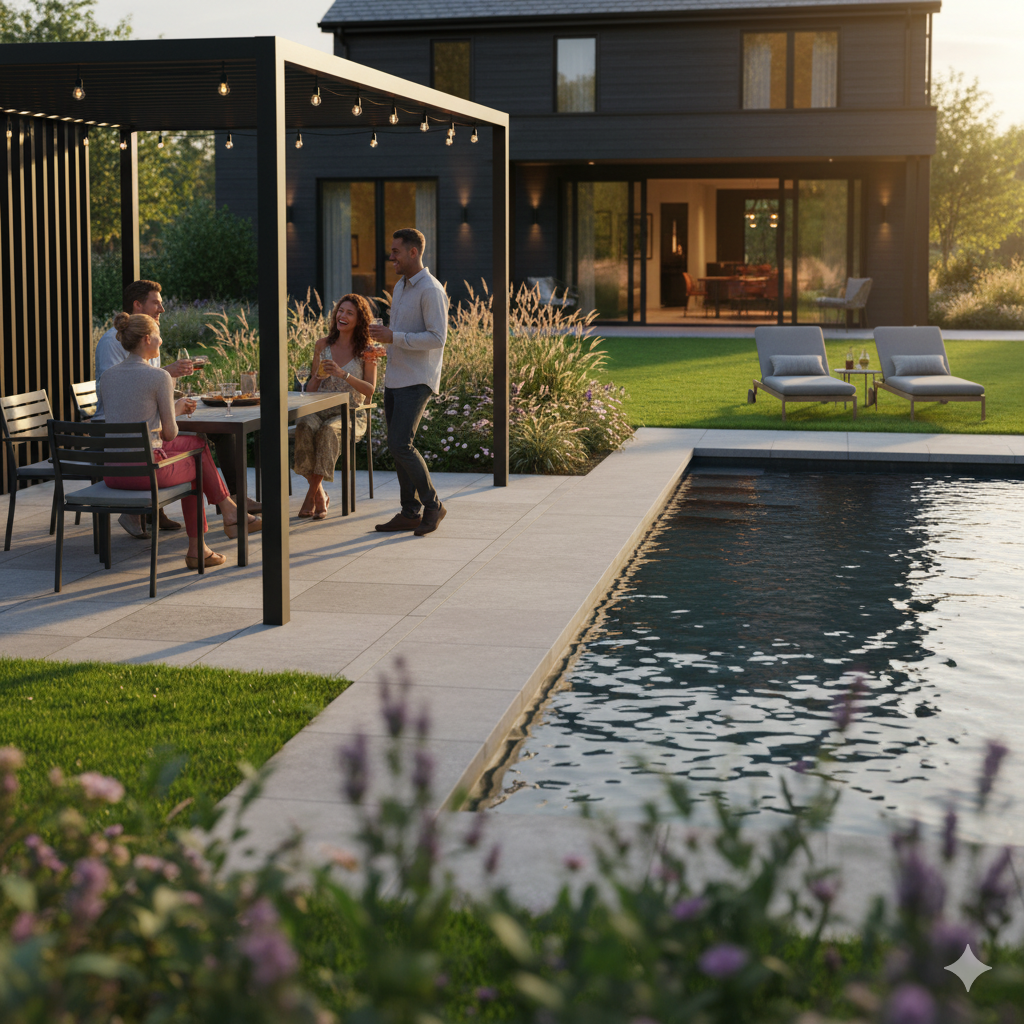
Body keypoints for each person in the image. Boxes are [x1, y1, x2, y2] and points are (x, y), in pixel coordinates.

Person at [93, 279, 261, 540]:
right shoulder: (140, 364)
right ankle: (203, 542)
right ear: (147, 338)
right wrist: (173, 408)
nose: (160, 341)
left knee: (196, 444)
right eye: (158, 337)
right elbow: (168, 433)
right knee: (195, 459)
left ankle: (228, 510)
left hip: (113, 471)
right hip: (140, 460)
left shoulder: (110, 377)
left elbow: (134, 392)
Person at [369, 228, 449, 536]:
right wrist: (386, 344)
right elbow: (401, 333)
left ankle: (433, 506)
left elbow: (437, 338)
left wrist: (394, 337)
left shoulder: (431, 290)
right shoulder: (401, 286)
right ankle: (409, 511)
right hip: (396, 377)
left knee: (400, 443)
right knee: (397, 446)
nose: (391, 257)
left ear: (413, 252)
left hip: (417, 379)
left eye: (396, 252)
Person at [294, 294, 379, 521]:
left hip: (350, 413)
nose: (342, 316)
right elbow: (311, 391)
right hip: (319, 408)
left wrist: (343, 374)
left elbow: (370, 390)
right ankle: (320, 494)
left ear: (359, 319)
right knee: (303, 425)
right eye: (340, 311)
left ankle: (310, 496)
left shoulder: (367, 350)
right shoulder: (322, 345)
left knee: (329, 432)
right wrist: (317, 378)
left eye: (349, 313)